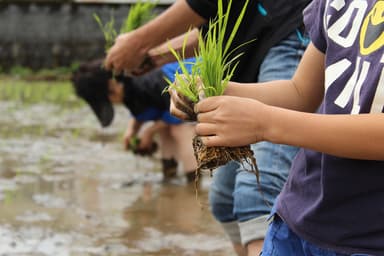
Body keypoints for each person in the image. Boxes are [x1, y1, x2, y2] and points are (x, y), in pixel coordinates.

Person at [170, 0, 384, 254]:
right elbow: (300, 92)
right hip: (296, 218)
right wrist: (217, 92)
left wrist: (265, 123)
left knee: (250, 196)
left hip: (367, 239)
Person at [104, 0, 310, 254]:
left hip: (291, 32)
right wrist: (156, 56)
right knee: (224, 200)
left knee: (258, 193)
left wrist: (138, 41)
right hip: (253, 54)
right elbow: (221, 28)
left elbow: (204, 3)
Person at [71, 59, 198, 184]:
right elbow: (145, 110)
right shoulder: (128, 90)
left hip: (193, 80)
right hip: (172, 97)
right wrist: (132, 131)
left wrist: (149, 132)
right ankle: (170, 177)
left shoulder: (149, 82)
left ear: (113, 86)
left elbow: (178, 115)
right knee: (165, 131)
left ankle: (193, 185)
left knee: (179, 130)